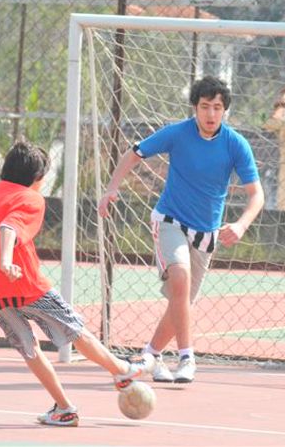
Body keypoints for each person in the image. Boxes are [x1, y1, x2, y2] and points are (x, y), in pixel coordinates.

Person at [0, 141, 154, 427]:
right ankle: (122, 370)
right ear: (37, 178)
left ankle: (64, 409)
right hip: (26, 286)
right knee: (75, 330)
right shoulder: (30, 198)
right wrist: (6, 260)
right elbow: (9, 227)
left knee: (30, 349)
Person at [98, 76, 265, 384]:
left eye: (217, 108)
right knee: (180, 278)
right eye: (205, 107)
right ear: (195, 108)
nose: (211, 114)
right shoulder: (177, 133)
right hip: (170, 221)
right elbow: (135, 152)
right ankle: (187, 358)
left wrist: (241, 225)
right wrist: (111, 188)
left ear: (225, 110)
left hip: (206, 233)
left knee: (181, 302)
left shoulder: (235, 144)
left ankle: (151, 355)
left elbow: (257, 195)